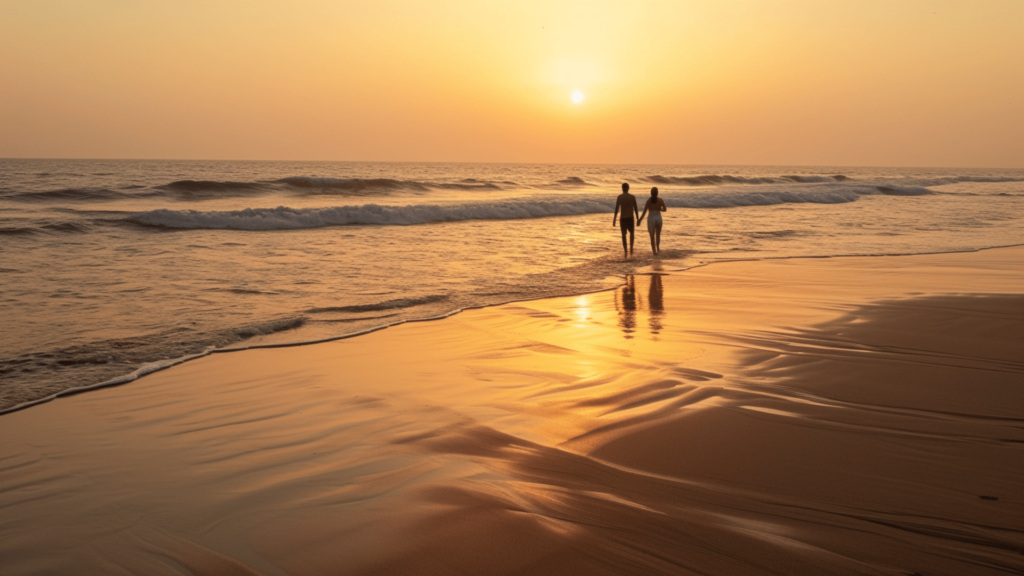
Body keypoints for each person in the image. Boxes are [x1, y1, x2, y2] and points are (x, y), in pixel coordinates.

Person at [612, 182, 640, 258]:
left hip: (623, 219)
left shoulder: (620, 197)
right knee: (632, 234)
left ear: (622, 188)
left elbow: (616, 209)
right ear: (628, 188)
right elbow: (636, 208)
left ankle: (625, 252)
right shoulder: (632, 197)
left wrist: (614, 220)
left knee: (623, 235)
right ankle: (631, 249)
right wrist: (638, 219)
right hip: (630, 218)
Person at [637, 186, 667, 255]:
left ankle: (654, 252)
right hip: (658, 217)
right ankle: (658, 248)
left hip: (651, 218)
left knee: (652, 236)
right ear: (657, 193)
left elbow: (644, 212)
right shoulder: (660, 200)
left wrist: (640, 220)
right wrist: (660, 209)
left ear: (651, 193)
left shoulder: (648, 201)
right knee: (658, 235)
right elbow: (665, 209)